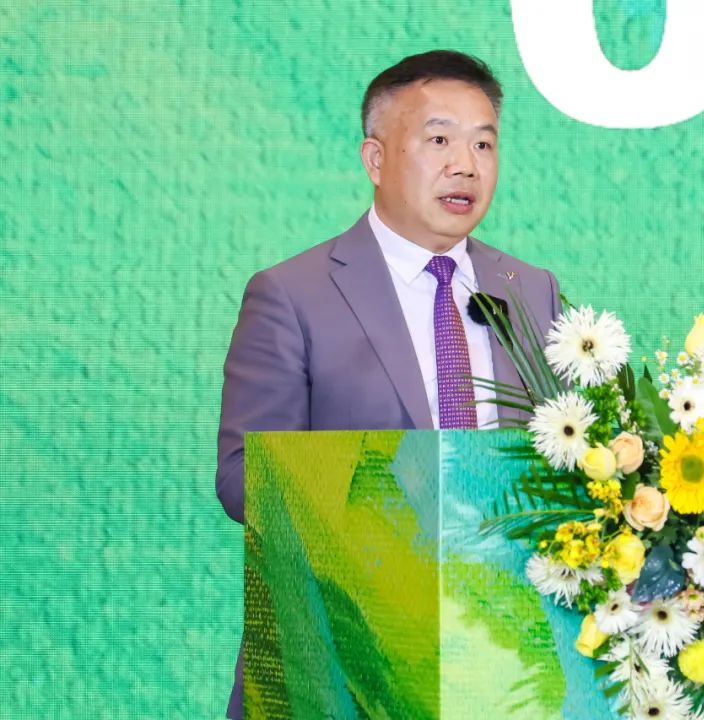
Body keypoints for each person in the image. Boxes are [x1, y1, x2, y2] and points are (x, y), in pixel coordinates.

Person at [215, 50, 562, 718]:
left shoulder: (531, 291)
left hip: (506, 664)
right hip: (349, 663)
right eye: (439, 140)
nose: (466, 165)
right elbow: (240, 478)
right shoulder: (292, 294)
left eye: (483, 143)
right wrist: (411, 493)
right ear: (375, 160)